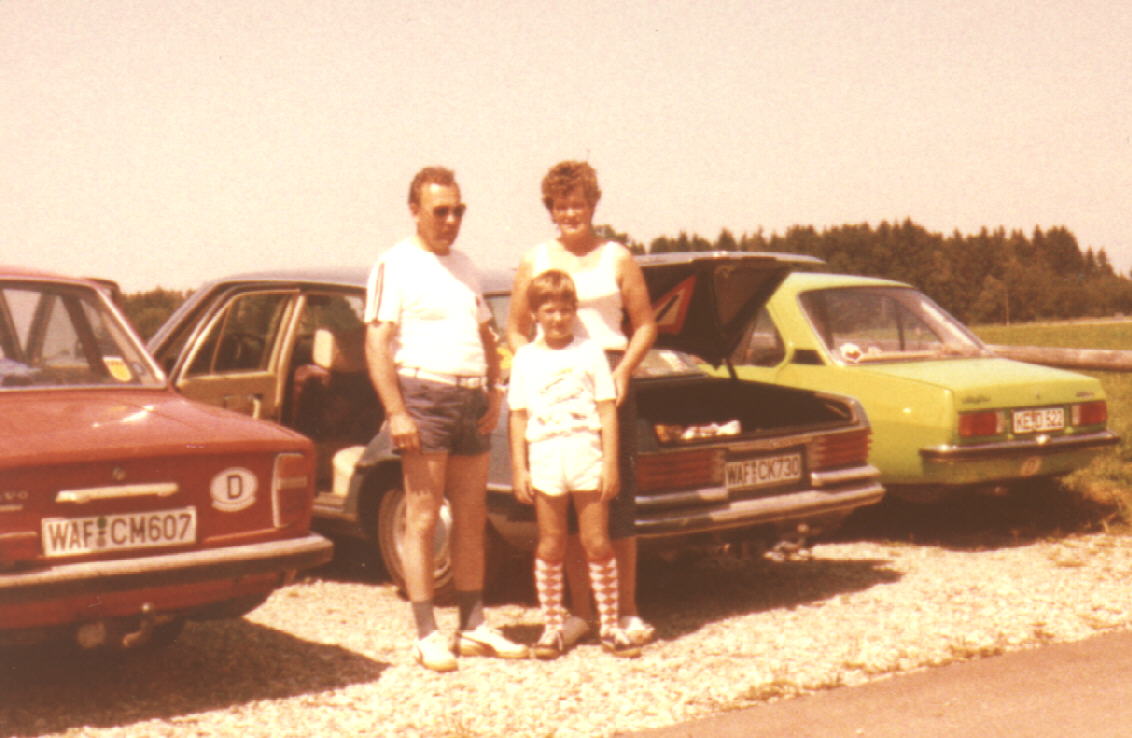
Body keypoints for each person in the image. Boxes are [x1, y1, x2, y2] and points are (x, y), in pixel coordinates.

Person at [365, 166, 527, 672]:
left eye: (459, 210)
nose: (451, 220)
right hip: (424, 397)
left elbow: (486, 334)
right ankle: (426, 634)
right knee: (423, 517)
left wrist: (495, 390)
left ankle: (473, 626)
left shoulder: (466, 265)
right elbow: (375, 343)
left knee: (472, 518)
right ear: (415, 210)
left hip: (470, 400)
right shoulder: (394, 264)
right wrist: (397, 412)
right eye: (441, 211)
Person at [506, 160, 658, 649]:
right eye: (561, 205)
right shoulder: (535, 259)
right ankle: (578, 614)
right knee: (563, 510)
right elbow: (515, 329)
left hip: (608, 374)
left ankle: (625, 612)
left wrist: (624, 370)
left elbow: (646, 324)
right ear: (550, 209)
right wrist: (534, 372)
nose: (570, 213)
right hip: (555, 385)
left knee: (614, 502)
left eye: (578, 204)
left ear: (593, 205)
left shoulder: (617, 257)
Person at [508, 270, 641, 658]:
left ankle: (610, 627)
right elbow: (518, 415)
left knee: (596, 541)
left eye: (565, 310)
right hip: (546, 456)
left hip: (586, 454)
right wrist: (519, 468)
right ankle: (552, 627)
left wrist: (610, 463)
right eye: (549, 311)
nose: (558, 318)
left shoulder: (590, 351)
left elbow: (607, 408)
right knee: (551, 542)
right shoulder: (526, 357)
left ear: (575, 311)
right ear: (535, 314)